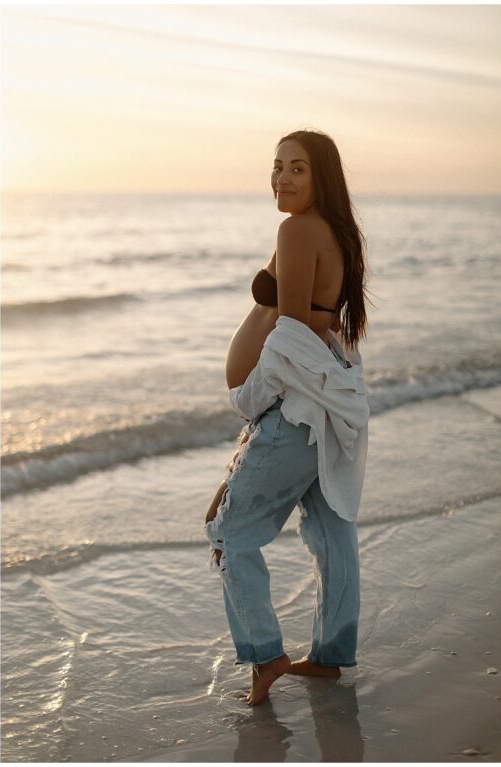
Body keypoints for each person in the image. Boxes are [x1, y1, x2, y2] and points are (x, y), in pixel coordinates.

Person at [203, 128, 370, 706]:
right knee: (330, 529)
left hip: (290, 410)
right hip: (316, 406)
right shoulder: (334, 233)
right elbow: (315, 337)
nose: (281, 179)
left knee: (227, 530)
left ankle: (264, 653)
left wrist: (250, 413)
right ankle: (329, 655)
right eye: (276, 167)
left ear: (321, 177)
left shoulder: (297, 229)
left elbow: (294, 339)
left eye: (297, 168)